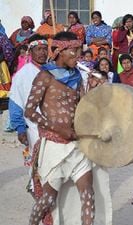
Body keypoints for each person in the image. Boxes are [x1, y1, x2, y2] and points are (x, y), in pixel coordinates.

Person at [23, 31, 96, 225]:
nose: (78, 57)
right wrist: (57, 128)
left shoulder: (77, 76)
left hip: (77, 144)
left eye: (79, 52)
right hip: (55, 144)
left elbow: (83, 107)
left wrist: (94, 91)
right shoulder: (45, 76)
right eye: (73, 52)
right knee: (48, 199)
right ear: (59, 52)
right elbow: (29, 111)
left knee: (88, 194)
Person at [9, 34, 48, 168]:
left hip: (53, 127)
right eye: (39, 49)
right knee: (36, 166)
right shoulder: (22, 75)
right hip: (33, 127)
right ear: (30, 52)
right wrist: (20, 128)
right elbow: (15, 102)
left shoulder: (53, 71)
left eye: (45, 49)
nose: (43, 52)